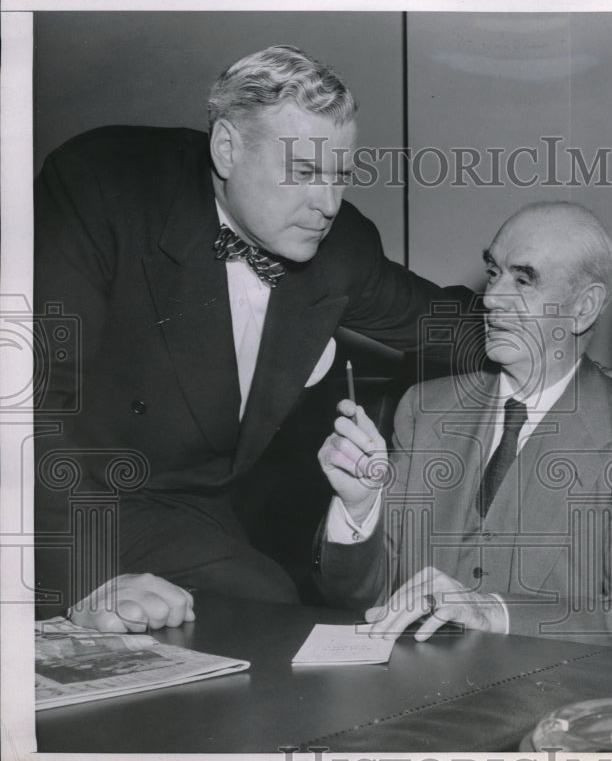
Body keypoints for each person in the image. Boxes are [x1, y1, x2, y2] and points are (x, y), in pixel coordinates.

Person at [33, 45, 472, 631]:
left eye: (340, 176)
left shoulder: (341, 246)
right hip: (51, 498)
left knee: (266, 608)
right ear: (226, 148)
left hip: (176, 505)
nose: (328, 205)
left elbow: (443, 324)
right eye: (305, 173)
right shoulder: (103, 183)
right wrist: (88, 577)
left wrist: (554, 342)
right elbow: (29, 402)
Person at [313, 202, 612, 645]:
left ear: (583, 308)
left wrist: (496, 612)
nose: (492, 297)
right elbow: (352, 600)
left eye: (523, 279)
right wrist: (360, 510)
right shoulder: (425, 409)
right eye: (494, 273)